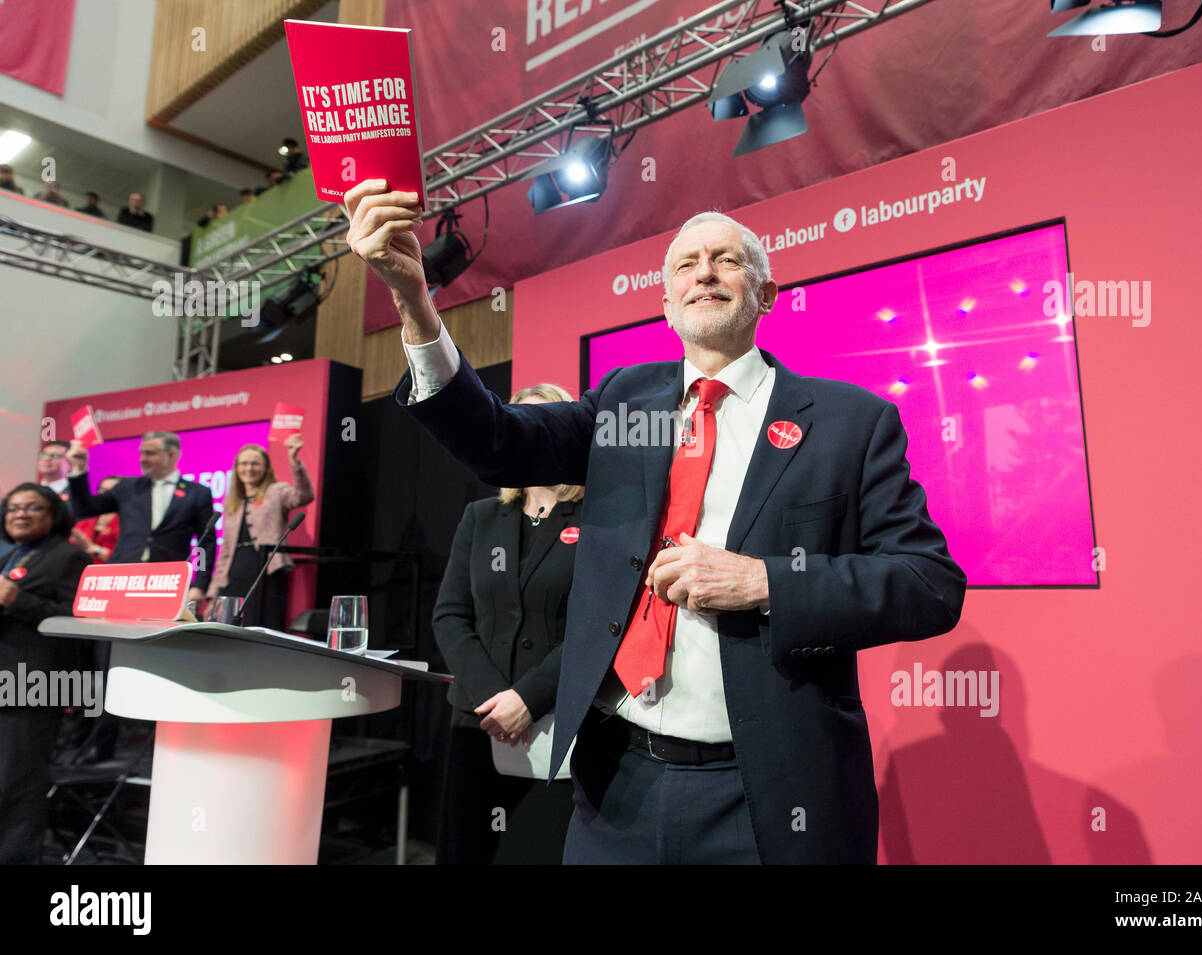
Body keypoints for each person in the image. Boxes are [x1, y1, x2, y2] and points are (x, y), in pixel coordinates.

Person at [346, 181, 967, 865]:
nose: (704, 271)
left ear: (764, 294)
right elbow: (497, 439)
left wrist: (765, 581)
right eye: (685, 263)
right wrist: (413, 301)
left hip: (766, 797)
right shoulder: (621, 400)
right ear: (668, 305)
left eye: (726, 259)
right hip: (617, 788)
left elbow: (928, 583)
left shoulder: (851, 422)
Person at [433, 384, 583, 865]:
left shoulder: (599, 515)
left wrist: (528, 699)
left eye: (544, 424)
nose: (530, 436)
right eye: (518, 425)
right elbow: (450, 615)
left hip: (561, 725)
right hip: (478, 721)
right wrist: (495, 699)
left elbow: (600, 624)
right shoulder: (480, 516)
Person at [0, 483, 91, 863]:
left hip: (31, 684)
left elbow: (80, 618)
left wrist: (20, 600)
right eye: (13, 508)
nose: (20, 514)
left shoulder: (68, 557)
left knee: (15, 783)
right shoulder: (7, 553)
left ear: (53, 515)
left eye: (32, 507)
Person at [64, 431, 212, 608]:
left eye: (150, 453)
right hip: (121, 577)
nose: (142, 459)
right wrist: (79, 469)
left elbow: (205, 544)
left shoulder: (197, 493)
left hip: (167, 582)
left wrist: (199, 585)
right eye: (141, 453)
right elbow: (85, 509)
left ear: (172, 454)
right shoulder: (127, 487)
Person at [206, 435, 313, 629]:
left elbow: (304, 495)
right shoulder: (232, 502)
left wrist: (294, 460)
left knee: (264, 625)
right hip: (235, 570)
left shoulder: (277, 491)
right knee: (230, 627)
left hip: (267, 568)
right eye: (244, 463)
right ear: (237, 468)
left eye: (255, 463)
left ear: (265, 468)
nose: (249, 468)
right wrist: (214, 591)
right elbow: (226, 550)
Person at [70, 476, 121, 564]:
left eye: (111, 490)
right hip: (83, 572)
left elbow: (126, 558)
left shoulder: (128, 525)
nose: (105, 494)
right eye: (102, 489)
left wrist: (93, 548)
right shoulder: (83, 523)